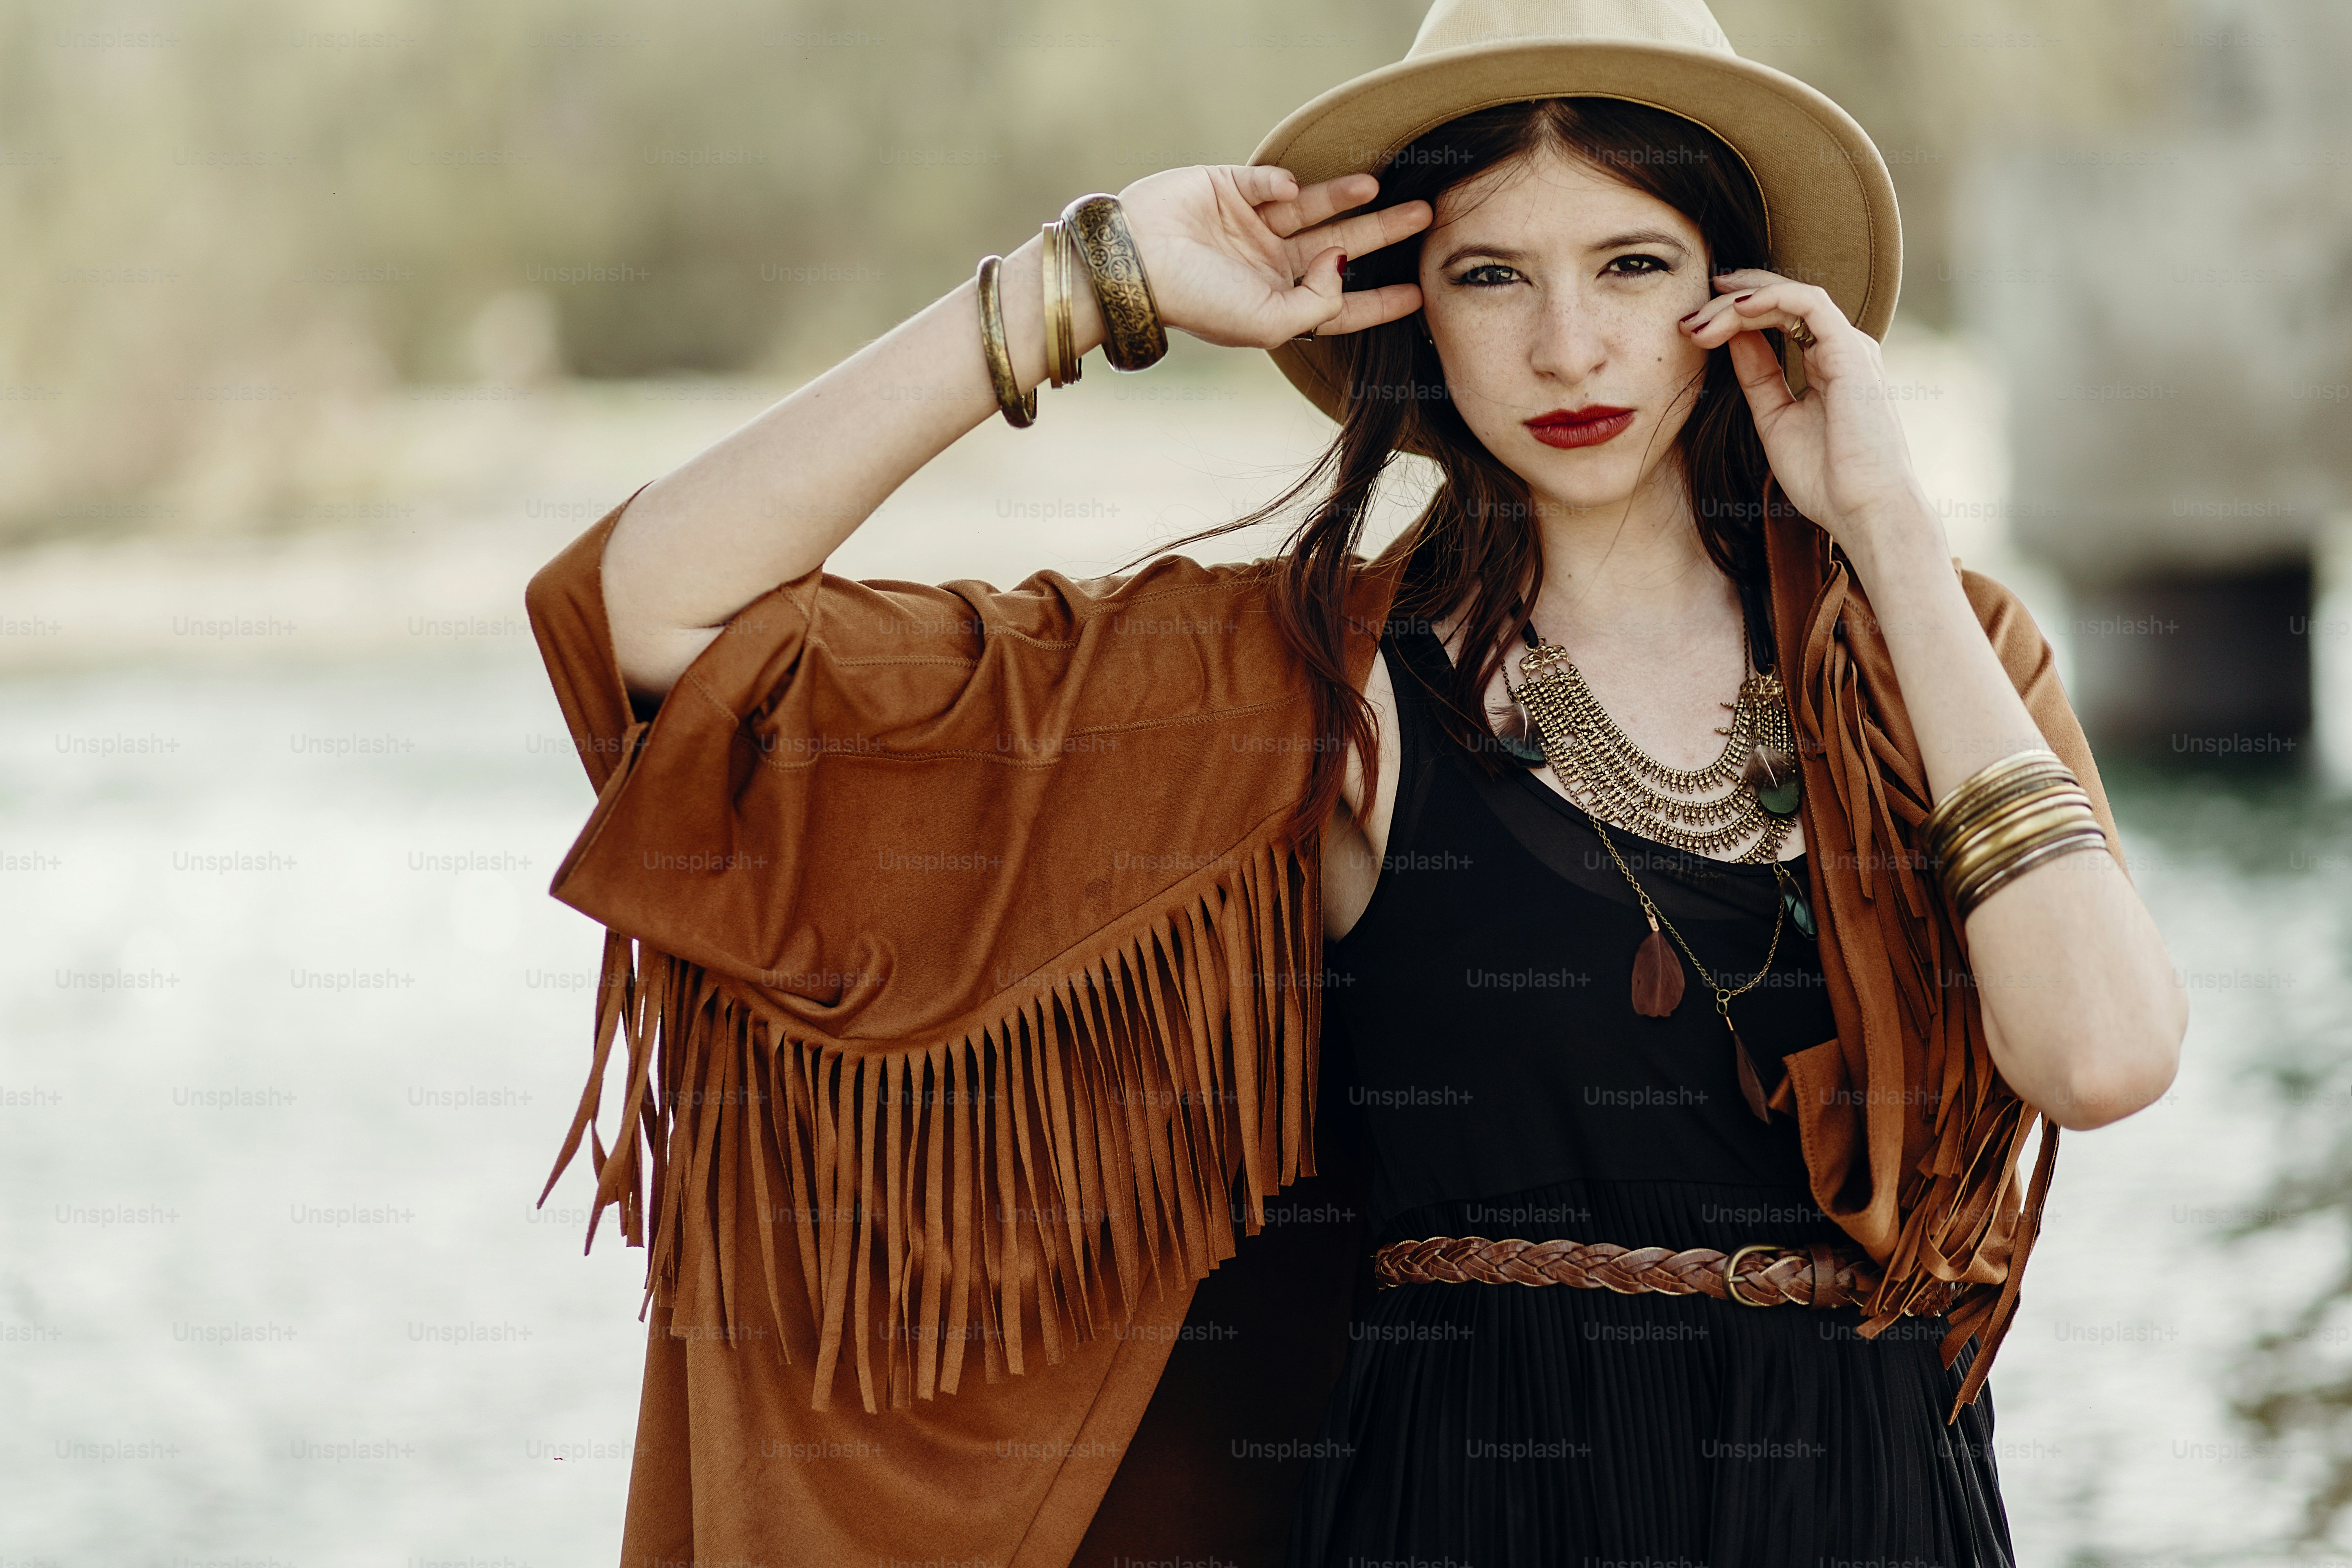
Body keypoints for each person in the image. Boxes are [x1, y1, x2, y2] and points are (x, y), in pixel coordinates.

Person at [524, 1, 2186, 1563]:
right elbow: (654, 615)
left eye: (1631, 264)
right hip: (1467, 1507)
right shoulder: (1308, 692)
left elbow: (2101, 1056)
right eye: (1489, 276)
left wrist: (1886, 523)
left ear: (1737, 295)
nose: (1567, 344)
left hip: (1880, 1512)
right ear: (1408, 307)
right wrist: (1087, 279)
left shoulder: (1936, 655)